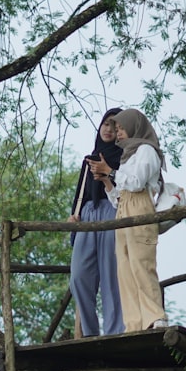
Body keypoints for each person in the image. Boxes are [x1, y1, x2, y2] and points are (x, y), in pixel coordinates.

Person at [90, 108, 168, 332]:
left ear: (134, 127)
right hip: (123, 209)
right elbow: (119, 197)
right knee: (124, 270)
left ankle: (156, 317)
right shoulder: (128, 155)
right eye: (116, 129)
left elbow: (136, 183)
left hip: (141, 209)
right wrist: (107, 181)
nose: (118, 133)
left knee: (141, 264)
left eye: (121, 128)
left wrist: (111, 172)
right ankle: (134, 323)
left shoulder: (146, 150)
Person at [68, 108, 124, 337]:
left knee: (111, 276)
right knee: (79, 276)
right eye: (105, 124)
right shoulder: (88, 158)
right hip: (88, 214)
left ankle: (114, 333)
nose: (108, 129)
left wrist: (108, 173)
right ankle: (90, 333)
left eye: (114, 125)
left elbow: (129, 188)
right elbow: (80, 194)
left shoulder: (125, 158)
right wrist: (74, 215)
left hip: (112, 210)